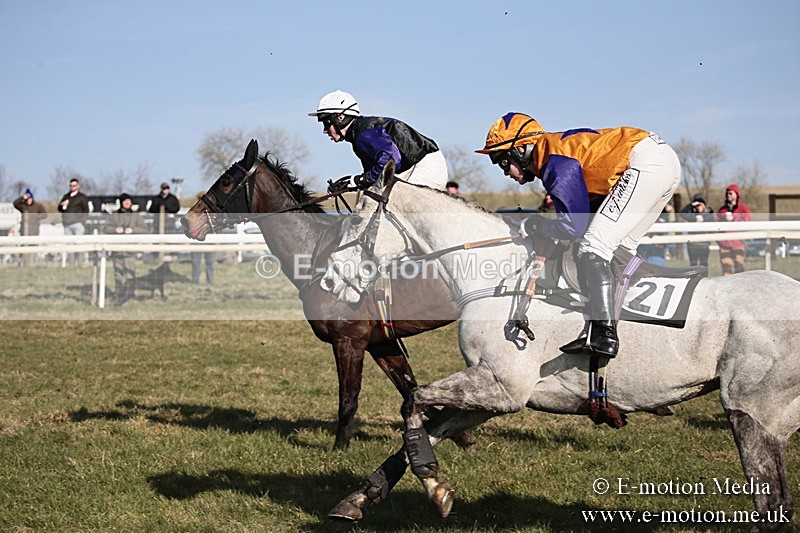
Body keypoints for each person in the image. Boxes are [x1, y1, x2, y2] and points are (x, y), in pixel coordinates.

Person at [476, 112, 681, 358]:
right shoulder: (553, 154)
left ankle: (604, 334)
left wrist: (537, 226)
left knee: (594, 247)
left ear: (521, 150)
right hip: (659, 160)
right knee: (619, 251)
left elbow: (575, 227)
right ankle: (619, 326)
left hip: (646, 162)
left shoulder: (554, 164)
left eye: (502, 162)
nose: (505, 172)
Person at [309, 90, 448, 191]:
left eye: (326, 124)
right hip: (412, 167)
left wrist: (360, 180)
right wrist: (354, 183)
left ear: (340, 118)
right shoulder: (358, 135)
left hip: (424, 166)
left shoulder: (364, 134)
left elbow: (391, 160)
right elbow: (375, 177)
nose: (325, 130)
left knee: (390, 204)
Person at [104, 193, 148, 305]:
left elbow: (144, 229)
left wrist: (133, 230)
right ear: (121, 203)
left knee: (130, 273)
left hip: (130, 250)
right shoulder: (114, 215)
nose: (127, 203)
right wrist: (115, 230)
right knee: (117, 274)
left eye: (129, 201)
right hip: (117, 250)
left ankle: (129, 294)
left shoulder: (136, 216)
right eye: (125, 201)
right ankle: (119, 293)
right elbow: (105, 228)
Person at [715, 184, 752, 275]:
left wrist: (734, 218)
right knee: (726, 269)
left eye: (731, 193)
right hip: (724, 244)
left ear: (736, 194)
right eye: (727, 193)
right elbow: (716, 225)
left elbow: (748, 222)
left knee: (739, 268)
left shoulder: (743, 209)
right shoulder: (722, 210)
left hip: (738, 243)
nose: (728, 195)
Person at [57, 178, 90, 266]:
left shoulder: (82, 197)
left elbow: (86, 210)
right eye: (71, 185)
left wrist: (82, 222)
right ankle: (71, 264)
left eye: (74, 185)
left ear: (78, 186)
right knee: (69, 246)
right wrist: (62, 205)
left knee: (78, 244)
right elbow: (59, 209)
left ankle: (79, 263)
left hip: (78, 224)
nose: (72, 187)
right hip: (67, 224)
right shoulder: (66, 196)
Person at [13, 188, 48, 267]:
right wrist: (22, 197)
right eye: (27, 199)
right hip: (24, 231)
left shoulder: (38, 206)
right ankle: (22, 264)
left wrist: (35, 216)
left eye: (30, 198)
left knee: (33, 248)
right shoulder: (23, 206)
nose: (28, 200)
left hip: (34, 231)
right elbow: (15, 203)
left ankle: (32, 263)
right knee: (23, 248)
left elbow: (44, 215)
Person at [679, 193, 714, 271]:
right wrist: (691, 205)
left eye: (700, 204)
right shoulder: (691, 215)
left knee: (704, 265)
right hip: (692, 245)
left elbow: (711, 221)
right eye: (696, 205)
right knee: (693, 266)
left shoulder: (709, 214)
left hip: (704, 245)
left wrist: (702, 219)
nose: (698, 207)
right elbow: (682, 213)